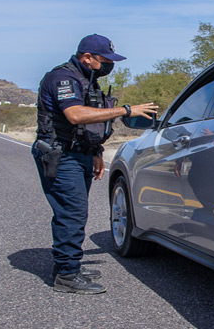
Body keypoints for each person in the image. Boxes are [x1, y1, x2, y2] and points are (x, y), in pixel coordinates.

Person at [32, 34, 158, 294]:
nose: (109, 65)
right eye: (105, 60)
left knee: (75, 212)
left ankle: (68, 265)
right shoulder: (63, 78)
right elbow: (76, 115)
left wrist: (96, 151)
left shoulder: (86, 80)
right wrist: (125, 110)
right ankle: (67, 275)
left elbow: (89, 123)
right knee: (72, 213)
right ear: (87, 57)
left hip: (79, 153)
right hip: (61, 155)